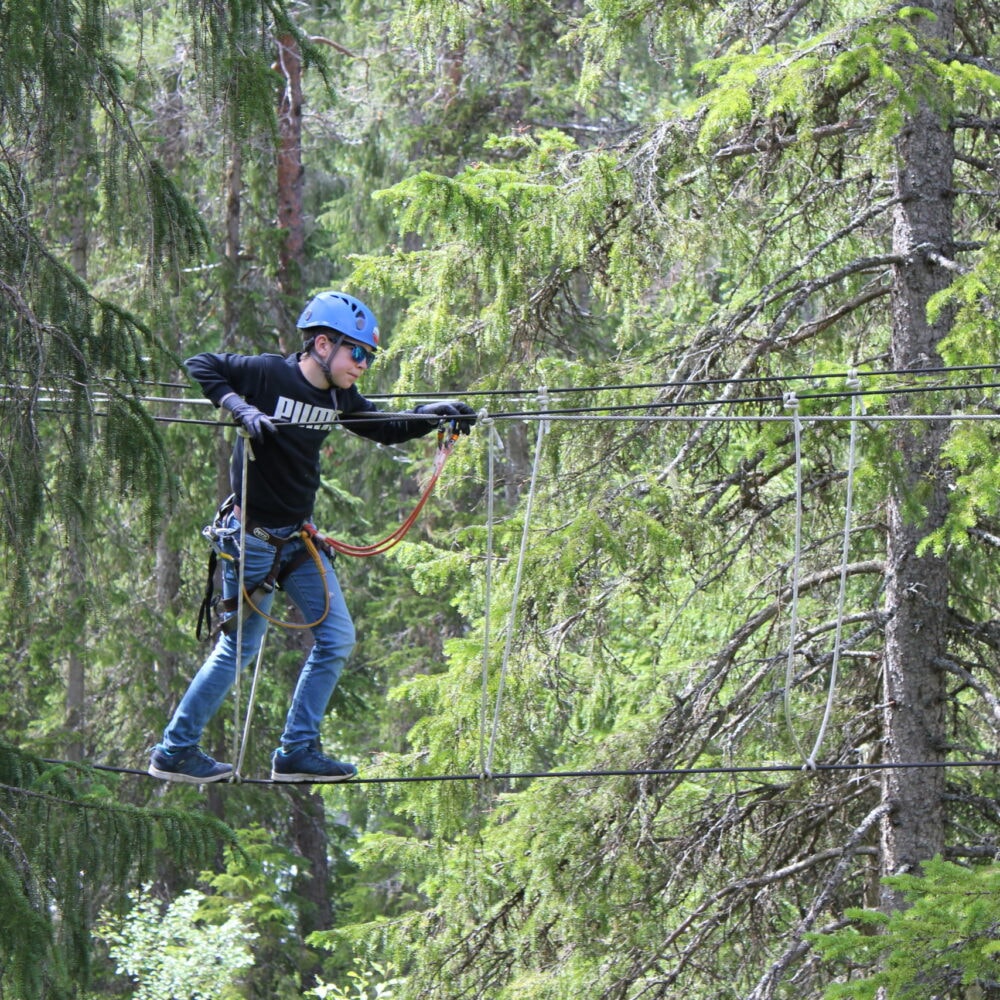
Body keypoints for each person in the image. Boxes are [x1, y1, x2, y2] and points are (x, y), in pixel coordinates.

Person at [148, 291, 476, 784]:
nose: (363, 365)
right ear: (322, 345)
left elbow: (382, 429)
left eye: (369, 357)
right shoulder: (266, 375)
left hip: (296, 540)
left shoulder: (338, 397)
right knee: (237, 651)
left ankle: (296, 749)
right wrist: (239, 407)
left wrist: (435, 413)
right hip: (252, 540)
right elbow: (202, 364)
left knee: (338, 637)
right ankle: (174, 751)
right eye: (357, 353)